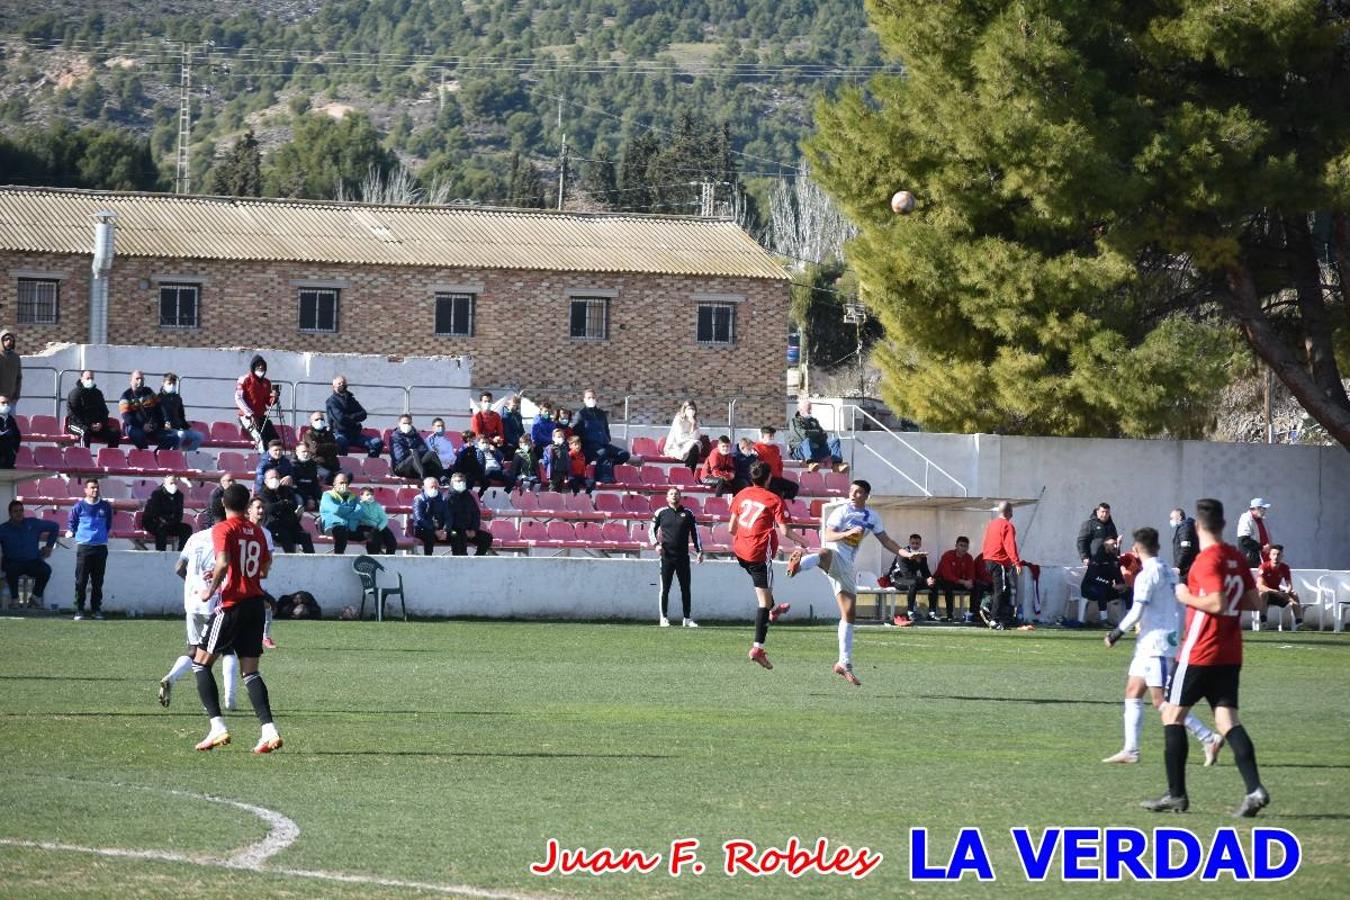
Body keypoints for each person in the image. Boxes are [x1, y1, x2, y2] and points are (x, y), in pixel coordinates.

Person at [1142, 498, 1269, 817]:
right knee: (1227, 720)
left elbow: (1214, 602)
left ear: (1197, 527)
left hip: (1199, 651)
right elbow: (1256, 603)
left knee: (1171, 715)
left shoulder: (1205, 561)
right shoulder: (1236, 557)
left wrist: (1185, 594)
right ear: (1224, 525)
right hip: (1230, 652)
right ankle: (1254, 790)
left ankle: (1176, 795)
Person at [1102, 527, 1224, 766]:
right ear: (1157, 546)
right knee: (1132, 692)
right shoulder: (1169, 572)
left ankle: (1208, 737)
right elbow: (1179, 605)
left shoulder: (1147, 575)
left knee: (1162, 701)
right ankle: (1130, 750)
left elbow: (1137, 610)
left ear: (1136, 549)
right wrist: (1181, 632)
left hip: (1156, 645)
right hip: (1152, 642)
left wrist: (1115, 633)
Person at [190, 482, 283, 754]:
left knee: (200, 663)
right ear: (247, 506)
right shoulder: (256, 531)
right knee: (250, 671)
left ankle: (217, 727)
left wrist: (211, 588)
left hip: (234, 604)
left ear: (223, 504)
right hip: (256, 604)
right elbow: (264, 568)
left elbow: (222, 561)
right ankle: (269, 731)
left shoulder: (222, 528)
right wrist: (239, 573)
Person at [786, 479, 904, 685]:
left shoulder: (872, 517)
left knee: (849, 615)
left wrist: (905, 553)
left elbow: (886, 541)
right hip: (834, 556)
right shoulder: (841, 511)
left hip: (847, 566)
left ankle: (844, 663)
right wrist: (847, 533)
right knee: (823, 552)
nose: (852, 494)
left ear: (866, 495)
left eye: (858, 492)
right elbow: (829, 535)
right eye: (851, 491)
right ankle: (799, 566)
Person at [729, 461, 806, 670]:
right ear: (769, 478)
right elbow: (786, 531)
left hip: (740, 551)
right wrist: (804, 542)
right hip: (759, 553)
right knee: (762, 600)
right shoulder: (774, 499)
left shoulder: (742, 494)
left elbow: (731, 528)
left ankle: (774, 610)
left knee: (763, 589)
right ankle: (758, 648)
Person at [159, 526, 238, 712]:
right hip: (213, 601)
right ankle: (228, 699)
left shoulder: (195, 537)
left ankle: (171, 677)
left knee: (194, 651)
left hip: (192, 601)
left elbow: (179, 567)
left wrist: (193, 584)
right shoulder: (226, 536)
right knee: (226, 650)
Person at [649, 487, 703, 628]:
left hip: (683, 557)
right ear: (667, 498)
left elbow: (696, 533)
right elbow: (651, 530)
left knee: (686, 588)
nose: (674, 496)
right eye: (671, 494)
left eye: (676, 494)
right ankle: (664, 618)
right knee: (665, 588)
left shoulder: (688, 513)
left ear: (680, 496)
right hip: (667, 556)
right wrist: (656, 545)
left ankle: (687, 618)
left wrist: (699, 551)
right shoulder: (661, 513)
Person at [0, 500, 57, 608]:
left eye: (21, 510)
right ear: (10, 513)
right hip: (13, 562)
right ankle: (15, 600)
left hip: (32, 562)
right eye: (15, 511)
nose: (19, 513)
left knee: (46, 569)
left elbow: (55, 527)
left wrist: (49, 546)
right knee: (10, 569)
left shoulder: (33, 523)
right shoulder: (3, 529)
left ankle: (35, 597)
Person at [571, 389, 630, 483]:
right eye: (589, 397)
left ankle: (608, 467)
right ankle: (601, 476)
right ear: (584, 400)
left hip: (603, 443)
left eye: (593, 397)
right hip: (589, 445)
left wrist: (607, 438)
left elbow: (606, 429)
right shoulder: (581, 414)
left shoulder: (601, 414)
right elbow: (574, 431)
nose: (591, 399)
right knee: (603, 452)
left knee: (624, 454)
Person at [980, 501, 1022, 630]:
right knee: (1002, 590)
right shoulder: (1007, 525)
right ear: (1009, 512)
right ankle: (992, 616)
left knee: (1005, 589)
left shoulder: (991, 524)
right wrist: (1016, 562)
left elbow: (986, 542)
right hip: (999, 561)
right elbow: (1009, 545)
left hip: (989, 560)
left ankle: (1003, 617)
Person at [259, 469, 314, 554]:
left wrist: (281, 505)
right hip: (274, 527)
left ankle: (312, 562)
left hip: (290, 525)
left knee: (305, 536)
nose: (275, 479)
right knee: (285, 535)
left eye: (277, 477)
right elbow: (269, 508)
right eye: (272, 478)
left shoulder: (285, 490)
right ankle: (290, 561)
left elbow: (293, 504)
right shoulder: (263, 493)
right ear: (266, 481)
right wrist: (283, 503)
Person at [326, 375, 382, 457]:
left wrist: (349, 417)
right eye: (339, 383)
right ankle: (344, 466)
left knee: (377, 442)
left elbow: (363, 414)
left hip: (355, 435)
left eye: (343, 383)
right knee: (341, 441)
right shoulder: (331, 401)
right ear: (333, 386)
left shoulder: (351, 399)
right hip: (340, 433)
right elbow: (341, 419)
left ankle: (369, 466)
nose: (342, 385)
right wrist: (355, 419)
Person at [887, 533, 937, 626]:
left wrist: (930, 579)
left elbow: (925, 572)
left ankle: (932, 613)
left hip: (911, 579)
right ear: (909, 543)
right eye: (913, 543)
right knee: (913, 584)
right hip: (897, 578)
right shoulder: (903, 553)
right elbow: (906, 574)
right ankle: (910, 612)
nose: (915, 545)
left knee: (935, 583)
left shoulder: (921, 556)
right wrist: (924, 580)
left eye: (917, 543)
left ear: (920, 544)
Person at [787, 399, 848, 473]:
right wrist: (817, 434)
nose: (810, 411)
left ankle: (837, 465)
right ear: (800, 410)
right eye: (808, 409)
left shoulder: (814, 421)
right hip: (800, 451)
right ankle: (811, 464)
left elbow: (824, 435)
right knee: (807, 441)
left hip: (815, 449)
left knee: (835, 441)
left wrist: (816, 436)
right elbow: (803, 435)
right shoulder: (794, 421)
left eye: (810, 409)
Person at [120, 369, 173, 450]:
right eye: (137, 378)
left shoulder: (149, 392)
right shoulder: (125, 396)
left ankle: (155, 458)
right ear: (131, 380)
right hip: (134, 427)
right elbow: (127, 417)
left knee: (170, 438)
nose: (140, 381)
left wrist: (166, 421)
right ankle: (146, 458)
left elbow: (160, 406)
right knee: (138, 435)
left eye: (142, 379)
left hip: (151, 426)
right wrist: (142, 426)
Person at [66, 370, 120, 448]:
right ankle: (85, 458)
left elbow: (104, 411)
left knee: (115, 433)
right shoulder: (75, 393)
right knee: (85, 432)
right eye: (87, 378)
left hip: (96, 426)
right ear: (81, 379)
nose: (90, 380)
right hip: (77, 425)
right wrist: (88, 425)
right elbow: (74, 414)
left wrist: (101, 424)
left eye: (92, 378)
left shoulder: (98, 393)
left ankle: (109, 459)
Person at [235, 354, 277, 452]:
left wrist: (274, 397)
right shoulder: (244, 379)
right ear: (253, 367)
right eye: (258, 366)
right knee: (260, 439)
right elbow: (238, 398)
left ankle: (276, 462)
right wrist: (250, 414)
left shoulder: (267, 382)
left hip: (261, 417)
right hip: (247, 417)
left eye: (262, 366)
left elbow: (268, 401)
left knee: (275, 440)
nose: (260, 368)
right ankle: (264, 463)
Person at [1080, 537, 1125, 628]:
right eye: (1113, 544)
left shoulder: (1113, 558)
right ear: (1105, 545)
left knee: (1128, 592)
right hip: (1089, 587)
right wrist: (1111, 584)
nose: (1115, 546)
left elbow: (1117, 572)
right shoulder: (1097, 558)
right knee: (1102, 590)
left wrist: (1121, 584)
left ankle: (1127, 622)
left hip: (1107, 586)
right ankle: (1104, 621)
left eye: (1116, 544)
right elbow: (1094, 577)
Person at [318, 472, 367, 554]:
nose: (344, 485)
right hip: (333, 526)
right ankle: (338, 557)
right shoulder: (327, 495)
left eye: (346, 483)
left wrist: (345, 512)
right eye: (341, 482)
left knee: (374, 532)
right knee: (342, 530)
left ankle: (374, 558)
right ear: (334, 484)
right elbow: (336, 509)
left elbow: (360, 512)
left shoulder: (353, 497)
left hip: (350, 527)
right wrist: (351, 509)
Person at [1257, 544, 1303, 630]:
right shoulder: (1264, 567)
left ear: (1282, 556)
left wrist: (1287, 593)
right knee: (1263, 594)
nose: (1276, 557)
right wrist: (1275, 592)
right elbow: (1259, 586)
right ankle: (1263, 622)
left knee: (1295, 594)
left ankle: (1299, 622)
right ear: (1270, 555)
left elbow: (1289, 585)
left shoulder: (1285, 568)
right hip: (1267, 595)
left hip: (1278, 595)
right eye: (1274, 554)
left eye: (1278, 554)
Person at [143, 474, 193, 552]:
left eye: (175, 483)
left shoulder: (179, 495)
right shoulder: (157, 493)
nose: (174, 485)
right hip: (154, 523)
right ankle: (161, 554)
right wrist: (164, 521)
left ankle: (181, 553)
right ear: (164, 483)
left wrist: (172, 522)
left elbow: (179, 514)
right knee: (162, 529)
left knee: (187, 529)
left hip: (170, 523)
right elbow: (153, 513)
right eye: (171, 483)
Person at [446, 472, 493, 555]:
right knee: (458, 536)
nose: (461, 483)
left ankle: (476, 560)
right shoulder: (448, 498)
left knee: (487, 538)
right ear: (452, 483)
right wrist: (464, 530)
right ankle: (461, 561)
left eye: (463, 481)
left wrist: (473, 530)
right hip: (453, 531)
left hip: (469, 531)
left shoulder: (469, 497)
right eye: (458, 481)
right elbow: (448, 518)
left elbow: (476, 514)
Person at [932, 536, 976, 622]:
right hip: (942, 580)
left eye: (965, 546)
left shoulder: (969, 557)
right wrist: (964, 582)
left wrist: (970, 581)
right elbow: (947, 575)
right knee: (948, 585)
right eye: (961, 545)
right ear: (956, 545)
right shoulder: (947, 555)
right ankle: (950, 614)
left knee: (977, 586)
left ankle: (973, 614)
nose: (963, 548)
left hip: (959, 582)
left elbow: (971, 573)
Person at [157, 373, 205, 451]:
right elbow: (155, 416)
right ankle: (175, 455)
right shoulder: (158, 398)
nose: (171, 386)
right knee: (181, 435)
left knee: (199, 436)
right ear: (163, 384)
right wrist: (164, 424)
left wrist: (186, 426)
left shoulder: (177, 398)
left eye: (173, 384)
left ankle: (188, 455)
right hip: (166, 429)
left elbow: (181, 416)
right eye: (169, 383)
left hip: (178, 428)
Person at [390, 414, 443, 481]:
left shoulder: (415, 435)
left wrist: (415, 452)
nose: (406, 425)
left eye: (409, 423)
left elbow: (424, 449)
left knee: (431, 454)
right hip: (401, 467)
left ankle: (442, 477)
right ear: (399, 424)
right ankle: (424, 478)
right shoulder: (395, 437)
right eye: (404, 423)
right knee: (414, 452)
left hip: (416, 466)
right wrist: (412, 452)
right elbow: (399, 456)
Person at [753, 426, 799, 501]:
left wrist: (779, 474)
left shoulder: (776, 448)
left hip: (777, 477)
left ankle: (783, 503)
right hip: (765, 479)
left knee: (794, 487)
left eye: (773, 435)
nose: (772, 437)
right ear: (762, 436)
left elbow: (779, 462)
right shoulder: (756, 447)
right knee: (776, 492)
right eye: (770, 435)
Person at [412, 476, 451, 555]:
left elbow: (448, 517)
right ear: (425, 487)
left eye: (436, 487)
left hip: (440, 530)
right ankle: (428, 559)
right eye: (432, 487)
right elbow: (419, 519)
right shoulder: (419, 499)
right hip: (423, 529)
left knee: (456, 534)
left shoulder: (443, 499)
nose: (434, 489)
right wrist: (434, 531)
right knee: (429, 536)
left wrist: (445, 530)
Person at [662, 400, 705, 471]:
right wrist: (691, 440)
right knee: (693, 447)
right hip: (676, 446)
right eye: (689, 409)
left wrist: (693, 425)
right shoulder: (678, 419)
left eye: (693, 409)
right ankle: (688, 473)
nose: (691, 411)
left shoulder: (695, 421)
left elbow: (696, 437)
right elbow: (679, 438)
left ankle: (690, 473)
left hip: (689, 445)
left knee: (695, 447)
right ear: (684, 410)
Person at [358, 487, 399, 555]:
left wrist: (380, 527)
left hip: (380, 527)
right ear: (361, 496)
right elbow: (363, 519)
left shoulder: (376, 505)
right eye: (367, 494)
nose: (370, 496)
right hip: (367, 527)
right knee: (374, 541)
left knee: (392, 542)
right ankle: (373, 559)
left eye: (372, 494)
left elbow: (384, 518)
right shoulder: (359, 506)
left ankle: (389, 559)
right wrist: (374, 525)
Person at [303, 411, 341, 483]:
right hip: (318, 464)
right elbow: (315, 449)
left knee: (347, 476)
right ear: (311, 422)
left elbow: (337, 448)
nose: (319, 421)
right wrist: (330, 446)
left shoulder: (329, 433)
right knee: (328, 475)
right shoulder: (308, 434)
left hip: (333, 464)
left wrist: (321, 446)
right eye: (316, 419)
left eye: (321, 419)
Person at [1076, 502, 1118, 568]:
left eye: (1107, 512)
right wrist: (1084, 557)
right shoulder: (1089, 524)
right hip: (1094, 562)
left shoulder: (1111, 525)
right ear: (1097, 512)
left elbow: (1115, 541)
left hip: (1109, 563)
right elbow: (1081, 542)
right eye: (1102, 512)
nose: (1104, 514)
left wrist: (1117, 556)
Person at [1235, 498, 1272, 567]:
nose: (1265, 511)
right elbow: (1244, 540)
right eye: (1263, 508)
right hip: (1251, 559)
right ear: (1256, 508)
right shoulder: (1246, 518)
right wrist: (1261, 547)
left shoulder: (1262, 520)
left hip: (1263, 557)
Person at [290, 442, 322, 512]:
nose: (306, 454)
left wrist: (317, 498)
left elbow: (315, 483)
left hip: (310, 492)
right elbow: (294, 486)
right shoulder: (292, 466)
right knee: (300, 503)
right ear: (297, 452)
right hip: (298, 492)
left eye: (308, 451)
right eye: (303, 452)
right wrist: (307, 499)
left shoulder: (312, 464)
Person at [1170, 507, 1199, 578]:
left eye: (1172, 518)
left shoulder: (1185, 529)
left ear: (1179, 517)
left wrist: (1178, 566)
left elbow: (1185, 548)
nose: (1171, 520)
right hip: (1185, 568)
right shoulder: (1182, 528)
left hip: (1186, 569)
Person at [543, 427, 571, 493]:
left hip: (562, 473)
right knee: (553, 489)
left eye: (561, 436)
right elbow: (546, 461)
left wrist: (567, 474)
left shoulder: (565, 448)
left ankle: (558, 503)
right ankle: (551, 502)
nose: (560, 438)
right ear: (553, 438)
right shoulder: (550, 448)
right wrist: (548, 470)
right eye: (558, 436)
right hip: (554, 473)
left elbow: (567, 461)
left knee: (560, 490)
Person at [0, 328, 21, 410]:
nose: (9, 341)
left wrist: (16, 396)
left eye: (11, 340)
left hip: (11, 399)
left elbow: (18, 378)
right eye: (6, 339)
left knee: (10, 420)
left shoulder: (16, 358)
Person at [0, 394, 20, 468]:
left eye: (7, 403)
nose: (5, 405)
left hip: (8, 455)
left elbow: (17, 435)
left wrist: (15, 450)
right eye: (3, 403)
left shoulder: (11, 419)